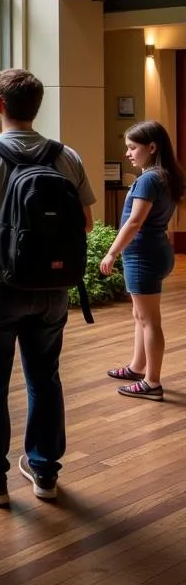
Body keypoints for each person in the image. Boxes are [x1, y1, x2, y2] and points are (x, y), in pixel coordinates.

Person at [0, 69, 95, 505]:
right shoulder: (65, 156)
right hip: (52, 287)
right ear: (36, 107)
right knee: (45, 378)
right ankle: (44, 470)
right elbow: (86, 223)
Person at [100, 120, 184, 402]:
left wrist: (111, 252)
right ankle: (138, 367)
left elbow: (135, 221)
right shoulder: (164, 175)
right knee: (141, 316)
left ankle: (152, 382)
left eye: (132, 148)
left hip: (143, 255)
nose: (128, 154)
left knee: (150, 321)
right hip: (155, 250)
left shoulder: (149, 179)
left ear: (151, 147)